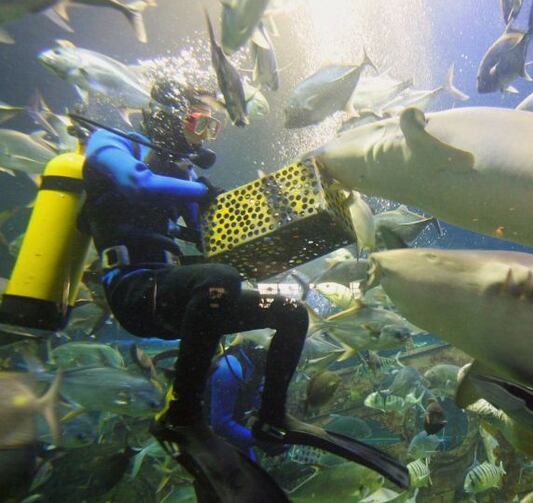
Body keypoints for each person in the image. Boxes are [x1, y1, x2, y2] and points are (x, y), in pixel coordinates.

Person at [78, 78, 408, 501]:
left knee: (290, 310)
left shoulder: (182, 171)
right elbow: (135, 183)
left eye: (211, 128)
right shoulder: (112, 142)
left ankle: (272, 416)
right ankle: (183, 412)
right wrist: (201, 191)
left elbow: (210, 238)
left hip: (177, 294)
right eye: (199, 123)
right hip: (136, 291)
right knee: (220, 278)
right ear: (167, 114)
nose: (202, 137)